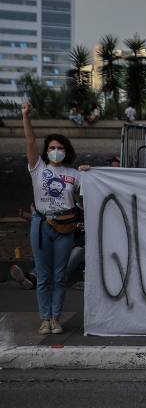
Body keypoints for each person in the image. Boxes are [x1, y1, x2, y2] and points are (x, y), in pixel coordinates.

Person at [21, 102, 89, 335]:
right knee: (43, 275)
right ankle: (45, 319)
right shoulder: (37, 168)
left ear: (66, 150)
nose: (56, 150)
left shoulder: (74, 174)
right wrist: (26, 116)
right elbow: (30, 141)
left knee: (60, 276)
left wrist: (90, 173)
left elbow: (86, 196)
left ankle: (55, 318)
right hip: (41, 224)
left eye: (60, 147)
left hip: (66, 227)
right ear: (46, 150)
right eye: (51, 147)